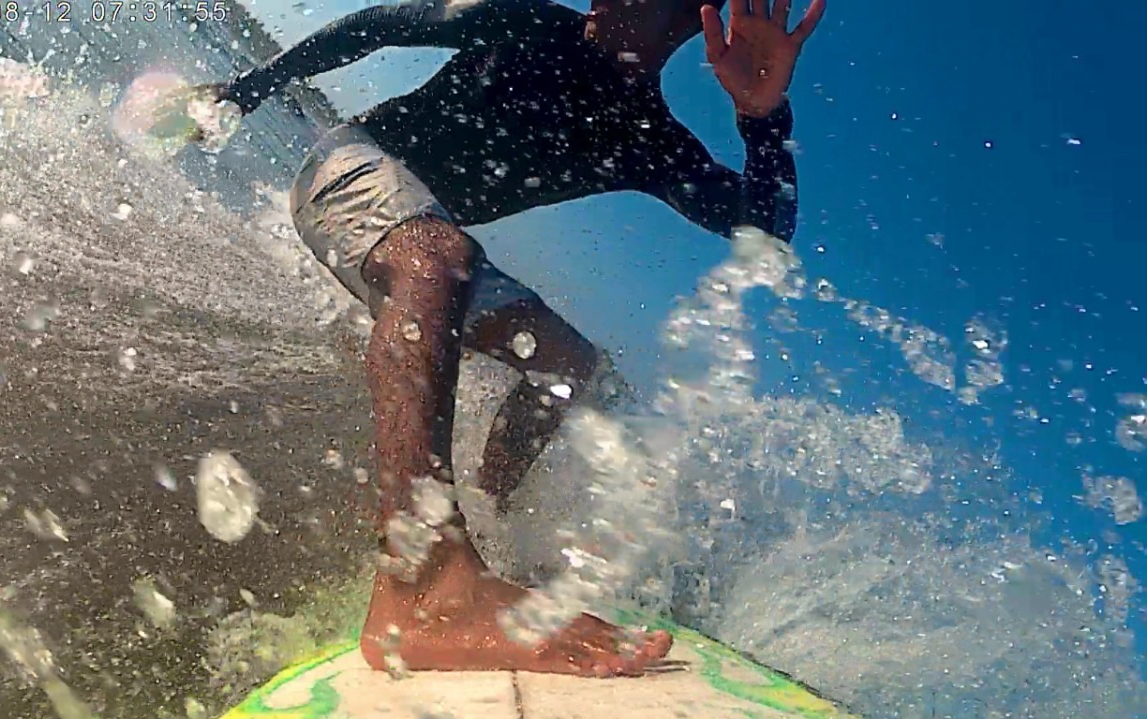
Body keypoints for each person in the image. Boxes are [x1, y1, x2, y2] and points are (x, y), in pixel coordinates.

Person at [193, 0, 824, 677]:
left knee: (573, 370)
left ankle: (487, 526)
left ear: (687, 20)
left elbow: (765, 230)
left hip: (429, 243)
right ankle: (423, 582)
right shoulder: (529, 23)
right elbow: (379, 25)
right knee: (439, 256)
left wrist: (763, 117)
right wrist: (250, 88)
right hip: (350, 171)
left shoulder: (643, 135)